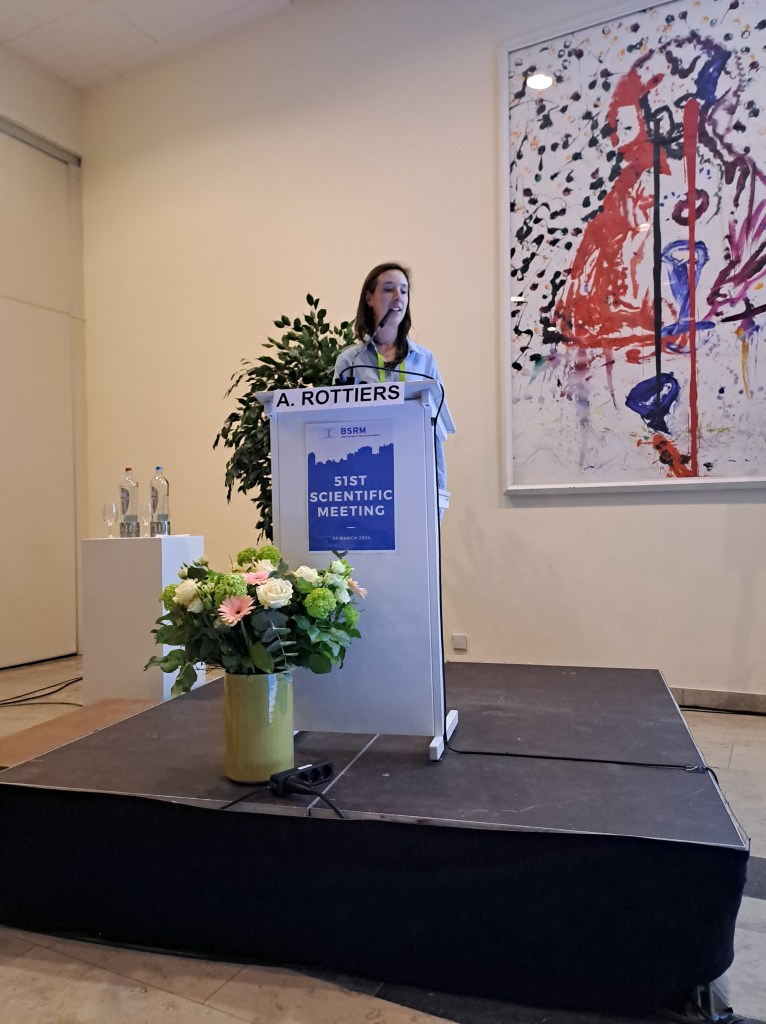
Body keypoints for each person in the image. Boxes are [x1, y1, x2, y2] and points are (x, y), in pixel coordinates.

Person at [332, 262, 454, 493]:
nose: (398, 297)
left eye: (404, 291)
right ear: (369, 298)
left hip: (415, 479)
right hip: (364, 480)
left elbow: (435, 432)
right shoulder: (349, 362)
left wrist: (438, 492)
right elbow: (338, 432)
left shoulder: (424, 360)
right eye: (389, 289)